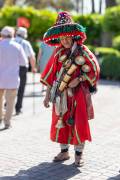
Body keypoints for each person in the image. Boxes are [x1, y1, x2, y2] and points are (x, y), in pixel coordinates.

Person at [40, 11, 100, 166]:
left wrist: (79, 79)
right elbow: (50, 75)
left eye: (67, 37)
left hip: (78, 94)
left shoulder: (83, 51)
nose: (65, 40)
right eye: (62, 37)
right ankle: (64, 151)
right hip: (60, 94)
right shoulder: (58, 52)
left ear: (73, 35)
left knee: (79, 122)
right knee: (61, 122)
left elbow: (95, 69)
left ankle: (79, 155)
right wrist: (47, 96)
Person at [0, 26, 27, 129]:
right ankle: (7, 122)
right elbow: (24, 62)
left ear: (2, 35)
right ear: (12, 35)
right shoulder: (17, 46)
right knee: (10, 101)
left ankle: (0, 118)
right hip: (12, 78)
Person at [15, 27, 36, 115]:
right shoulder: (25, 43)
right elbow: (31, 57)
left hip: (11, 67)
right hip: (22, 68)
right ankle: (18, 108)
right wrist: (33, 68)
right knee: (21, 88)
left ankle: (7, 104)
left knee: (9, 87)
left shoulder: (12, 41)